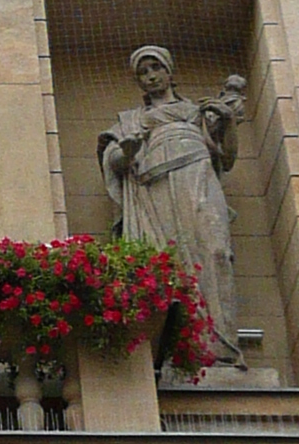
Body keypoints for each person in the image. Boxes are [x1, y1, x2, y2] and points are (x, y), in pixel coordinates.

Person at [98, 43, 245, 369]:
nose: (151, 77)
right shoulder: (132, 120)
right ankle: (182, 352)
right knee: (170, 268)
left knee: (216, 251)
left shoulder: (198, 113)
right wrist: (129, 150)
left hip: (199, 185)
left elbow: (228, 159)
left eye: (156, 68)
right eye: (143, 73)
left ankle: (221, 345)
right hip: (156, 195)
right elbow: (116, 162)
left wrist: (229, 122)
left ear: (169, 71)